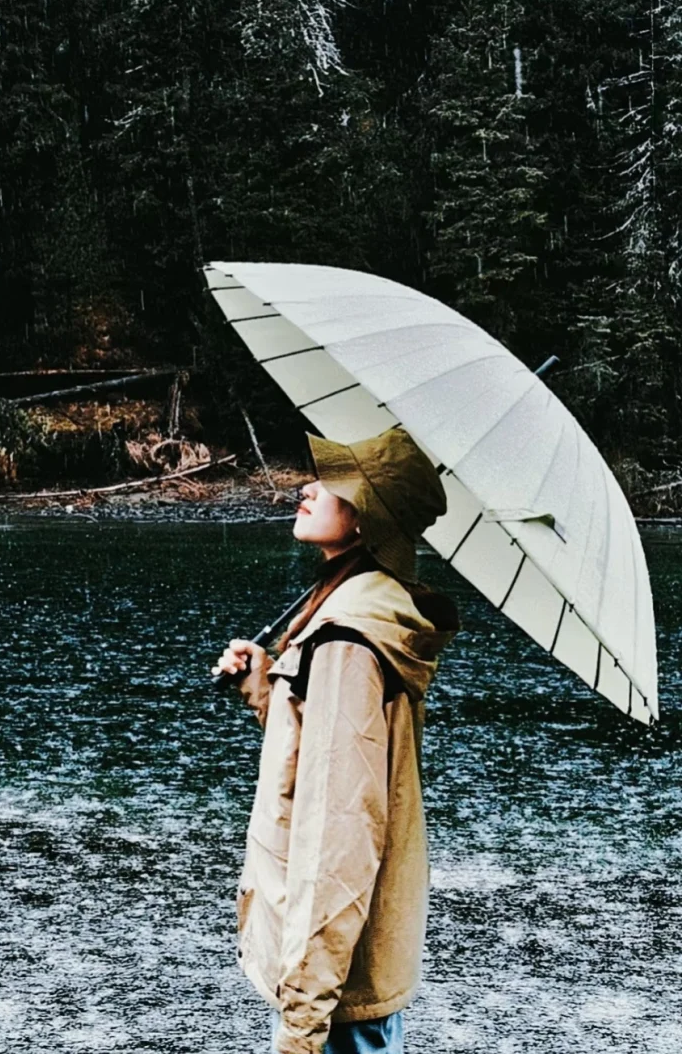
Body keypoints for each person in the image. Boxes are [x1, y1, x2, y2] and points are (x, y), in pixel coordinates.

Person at [211, 427, 460, 1054]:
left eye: (332, 484)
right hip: (345, 976)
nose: (307, 488)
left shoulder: (348, 641)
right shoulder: (358, 609)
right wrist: (264, 684)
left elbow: (339, 837)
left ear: (365, 519)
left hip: (334, 991)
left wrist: (302, 1020)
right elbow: (322, 758)